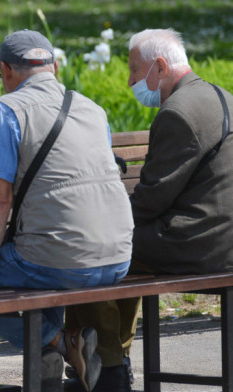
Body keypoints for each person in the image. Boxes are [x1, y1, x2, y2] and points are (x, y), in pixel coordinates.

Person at [0, 30, 134, 392]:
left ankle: (60, 342)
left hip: (60, 261)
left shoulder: (6, 110)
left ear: (5, 71)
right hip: (118, 258)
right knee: (38, 259)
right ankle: (53, 362)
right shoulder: (93, 109)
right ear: (54, 67)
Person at [64, 28, 233, 392]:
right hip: (224, 239)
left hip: (198, 245)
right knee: (124, 247)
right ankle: (97, 362)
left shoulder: (177, 113)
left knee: (89, 250)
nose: (129, 82)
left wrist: (102, 220)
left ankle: (107, 368)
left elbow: (151, 199)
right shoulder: (224, 97)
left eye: (134, 71)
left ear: (159, 67)